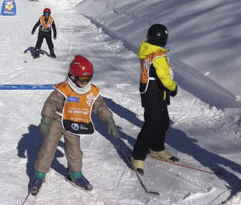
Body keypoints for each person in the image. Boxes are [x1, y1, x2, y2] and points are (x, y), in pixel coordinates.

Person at [29, 55, 120, 195]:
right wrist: (45, 120)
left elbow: (100, 106)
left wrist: (109, 120)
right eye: (82, 79)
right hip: (57, 120)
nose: (85, 82)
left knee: (74, 151)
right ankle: (39, 174)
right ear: (72, 76)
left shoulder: (92, 91)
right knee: (48, 147)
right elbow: (50, 103)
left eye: (88, 78)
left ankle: (75, 173)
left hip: (74, 123)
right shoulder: (64, 88)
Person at [131, 24, 179, 175]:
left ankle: (157, 148)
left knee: (163, 121)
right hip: (154, 95)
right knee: (150, 126)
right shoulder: (157, 55)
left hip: (153, 93)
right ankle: (137, 155)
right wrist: (173, 87)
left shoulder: (149, 52)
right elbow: (164, 77)